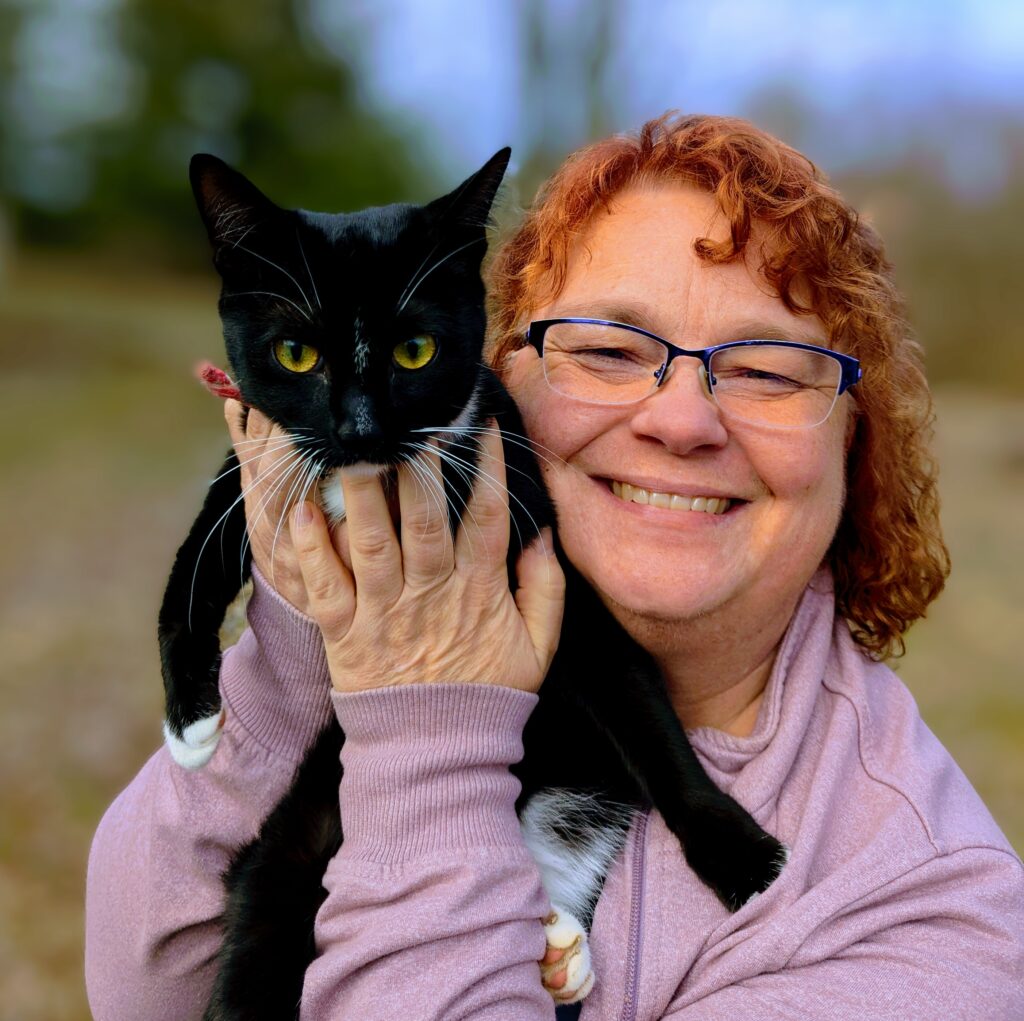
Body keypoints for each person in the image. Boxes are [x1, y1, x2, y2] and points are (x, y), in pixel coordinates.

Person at [85, 113, 1024, 1019]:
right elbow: (148, 995)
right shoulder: (364, 594)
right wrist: (314, 622)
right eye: (611, 349)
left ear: (857, 439)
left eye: (767, 368)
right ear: (499, 376)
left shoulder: (928, 917)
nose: (682, 422)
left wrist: (424, 729)